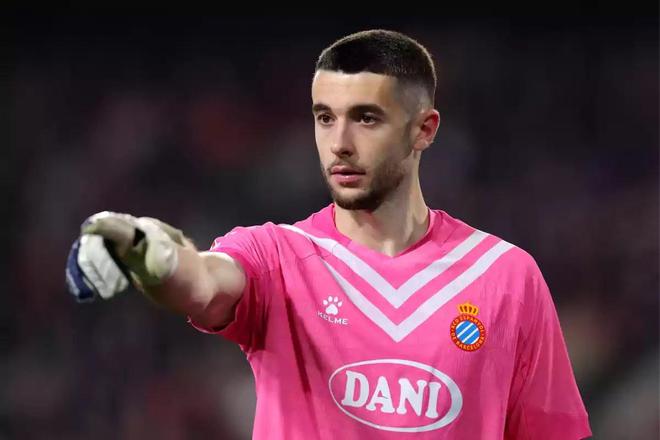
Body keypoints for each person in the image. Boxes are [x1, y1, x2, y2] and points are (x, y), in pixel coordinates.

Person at [65, 29, 592, 439]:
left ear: (424, 130)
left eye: (366, 118)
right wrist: (144, 246)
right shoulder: (278, 256)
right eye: (324, 118)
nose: (339, 142)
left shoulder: (506, 276)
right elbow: (200, 280)